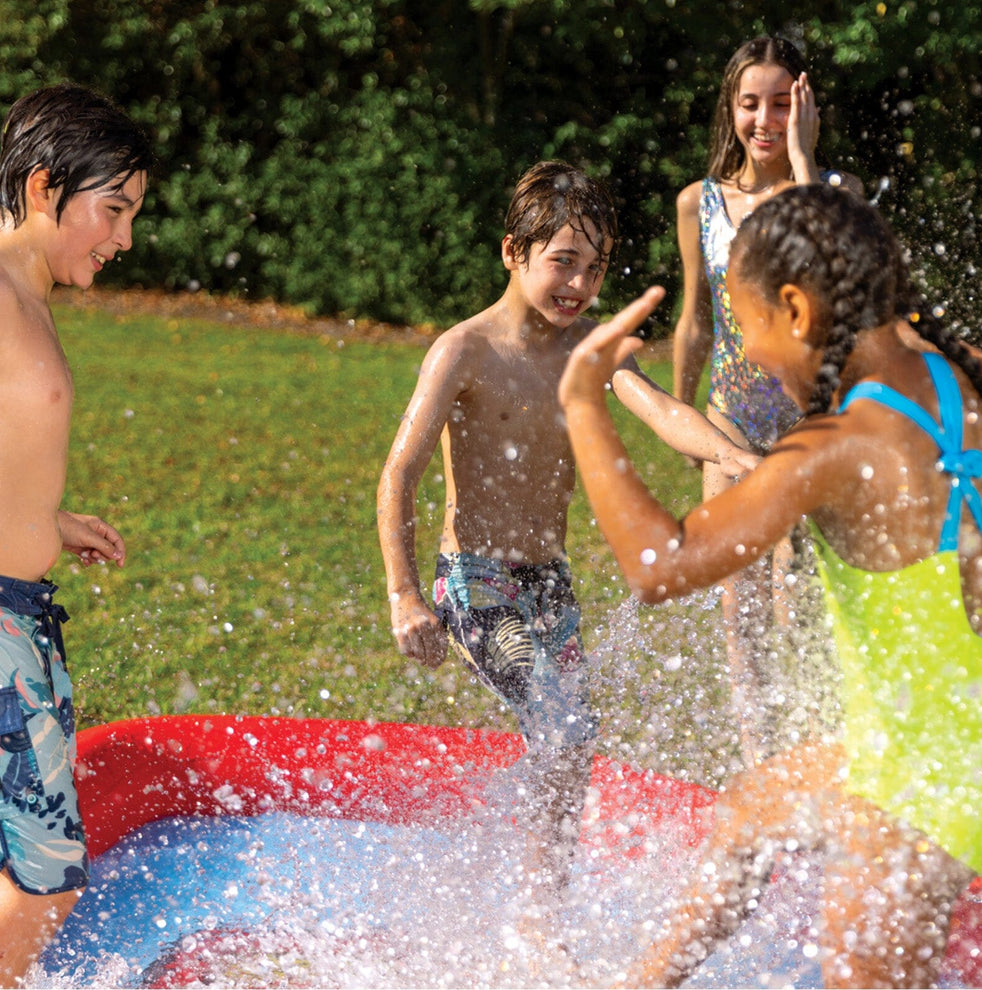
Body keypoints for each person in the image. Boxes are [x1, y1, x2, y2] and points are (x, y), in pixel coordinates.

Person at [558, 183, 981, 988]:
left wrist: (584, 406)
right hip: (944, 743)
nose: (746, 353)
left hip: (918, 793)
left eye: (748, 326)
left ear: (795, 309)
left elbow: (660, 566)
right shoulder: (955, 376)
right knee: (752, 811)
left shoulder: (839, 444)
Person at [376, 160, 757, 929]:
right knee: (563, 726)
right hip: (474, 579)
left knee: (573, 743)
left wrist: (735, 456)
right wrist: (405, 593)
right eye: (562, 262)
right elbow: (400, 474)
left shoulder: (590, 349)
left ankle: (539, 900)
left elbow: (658, 411)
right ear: (513, 252)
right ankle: (527, 908)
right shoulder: (465, 351)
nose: (579, 285)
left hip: (549, 582)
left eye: (594, 267)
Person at [0, 84, 154, 984]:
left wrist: (40, 520)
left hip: (19, 615)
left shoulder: (25, 295)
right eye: (115, 208)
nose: (124, 238)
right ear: (48, 187)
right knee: (43, 878)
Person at [671, 36, 863, 762]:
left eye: (782, 104)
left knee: (797, 598)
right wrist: (685, 419)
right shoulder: (701, 202)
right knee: (738, 603)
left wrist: (807, 164)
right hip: (731, 420)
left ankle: (813, 752)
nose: (764, 119)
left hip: (811, 423)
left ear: (805, 110)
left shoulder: (834, 193)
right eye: (751, 103)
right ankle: (760, 762)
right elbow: (695, 319)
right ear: (731, 107)